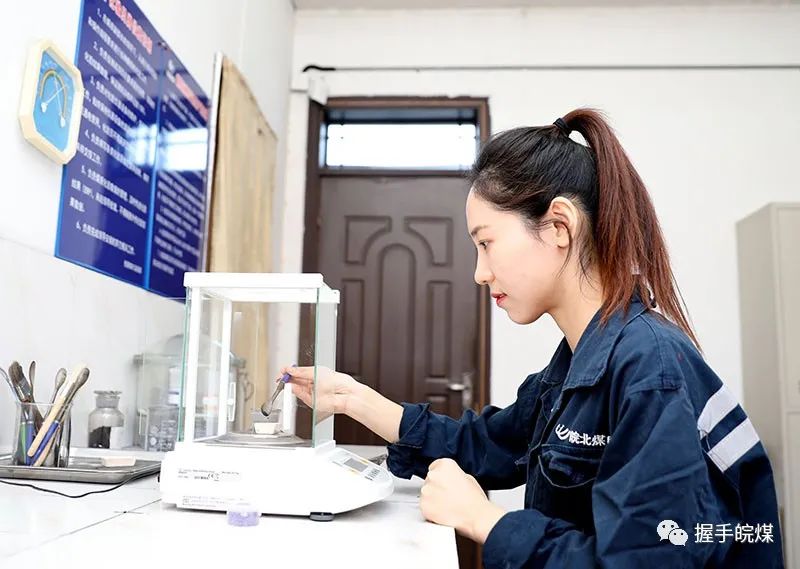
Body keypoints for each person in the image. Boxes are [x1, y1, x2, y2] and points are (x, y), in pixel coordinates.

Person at [282, 108, 784, 568]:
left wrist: (483, 519)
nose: (480, 272)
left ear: (559, 225)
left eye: (486, 242)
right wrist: (351, 398)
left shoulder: (649, 368)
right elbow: (487, 445)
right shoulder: (574, 365)